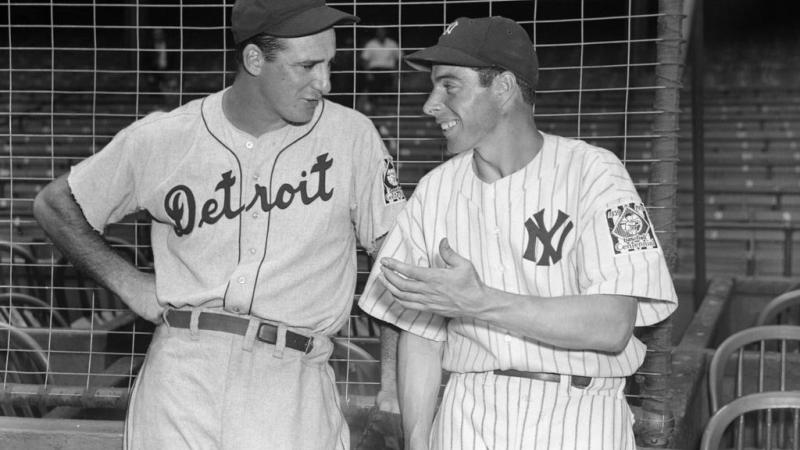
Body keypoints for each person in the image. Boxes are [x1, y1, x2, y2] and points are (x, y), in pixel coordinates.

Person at [32, 0, 406, 448]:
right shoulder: (169, 135)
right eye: (306, 66)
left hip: (292, 379)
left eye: (329, 65)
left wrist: (391, 388)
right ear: (254, 60)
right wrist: (129, 284)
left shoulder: (353, 136)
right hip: (181, 374)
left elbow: (394, 259)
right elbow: (55, 205)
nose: (323, 83)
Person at [358, 16, 678, 450]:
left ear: (505, 87)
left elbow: (611, 324)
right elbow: (420, 334)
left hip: (579, 413)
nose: (430, 104)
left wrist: (479, 301)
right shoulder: (436, 190)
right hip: (468, 412)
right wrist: (418, 442)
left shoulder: (592, 173)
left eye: (450, 85)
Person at [358, 27, 402, 112]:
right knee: (374, 89)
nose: (381, 33)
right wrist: (368, 73)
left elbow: (399, 58)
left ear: (386, 32)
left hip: (389, 70)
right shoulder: (371, 44)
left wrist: (396, 71)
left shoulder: (392, 43)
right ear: (376, 33)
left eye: (382, 31)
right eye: (379, 32)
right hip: (375, 70)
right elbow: (364, 59)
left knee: (390, 90)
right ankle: (372, 107)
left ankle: (389, 109)